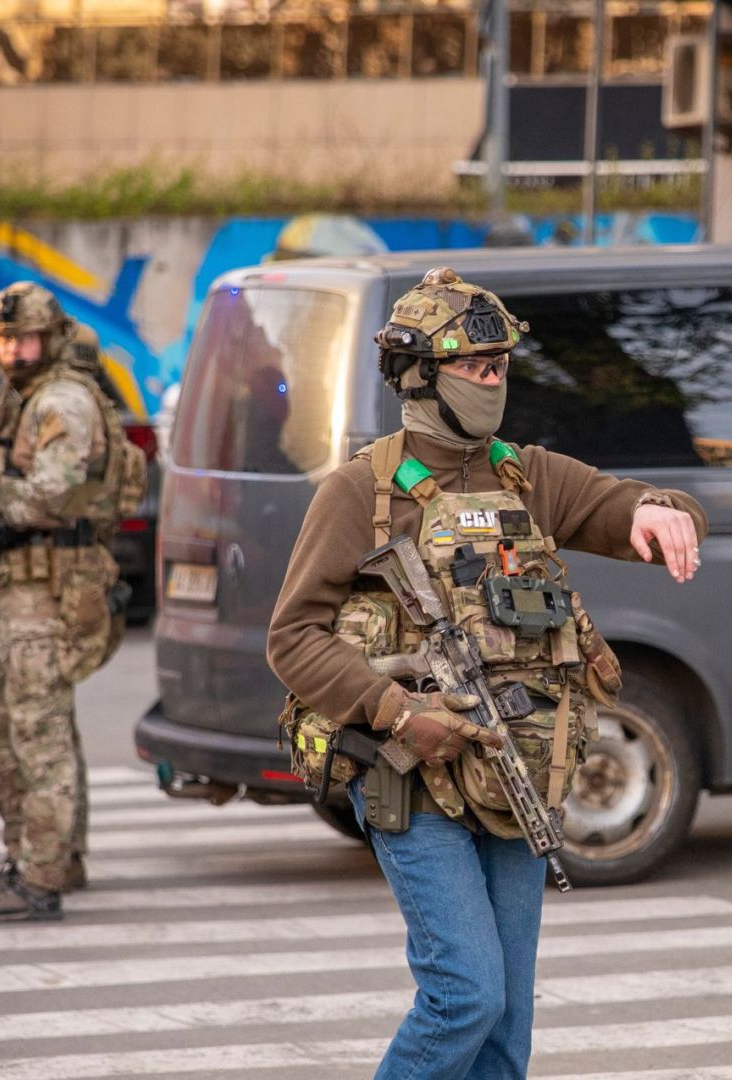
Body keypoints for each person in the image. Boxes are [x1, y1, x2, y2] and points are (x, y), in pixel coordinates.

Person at [266, 267, 705, 1078]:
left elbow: (620, 504)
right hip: (408, 776)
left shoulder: (524, 475)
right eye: (476, 364)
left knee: (508, 1023)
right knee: (465, 994)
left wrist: (657, 511)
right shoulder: (359, 489)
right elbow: (292, 637)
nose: (493, 379)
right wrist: (395, 712)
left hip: (514, 771)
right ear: (421, 374)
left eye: (501, 364)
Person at [0, 283, 142, 922]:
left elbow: (55, 492)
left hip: (49, 584)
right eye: (5, 340)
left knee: (37, 729)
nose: (15, 351)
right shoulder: (22, 398)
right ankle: (43, 852)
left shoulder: (61, 399)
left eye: (26, 338)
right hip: (16, 585)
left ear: (51, 338)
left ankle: (41, 873)